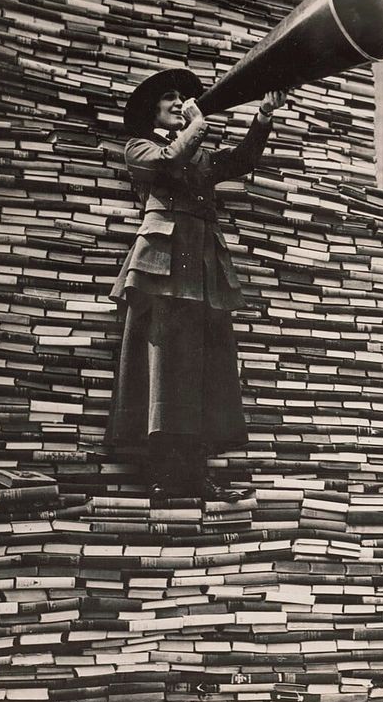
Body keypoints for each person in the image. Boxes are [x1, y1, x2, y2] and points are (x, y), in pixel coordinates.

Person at [104, 67, 286, 500]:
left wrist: (263, 115)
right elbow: (168, 162)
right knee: (163, 370)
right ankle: (165, 477)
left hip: (202, 269)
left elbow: (240, 161)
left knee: (205, 369)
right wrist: (198, 124)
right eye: (168, 98)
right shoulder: (139, 147)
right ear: (153, 110)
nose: (177, 103)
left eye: (180, 98)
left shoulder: (198, 151)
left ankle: (198, 475)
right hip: (161, 268)